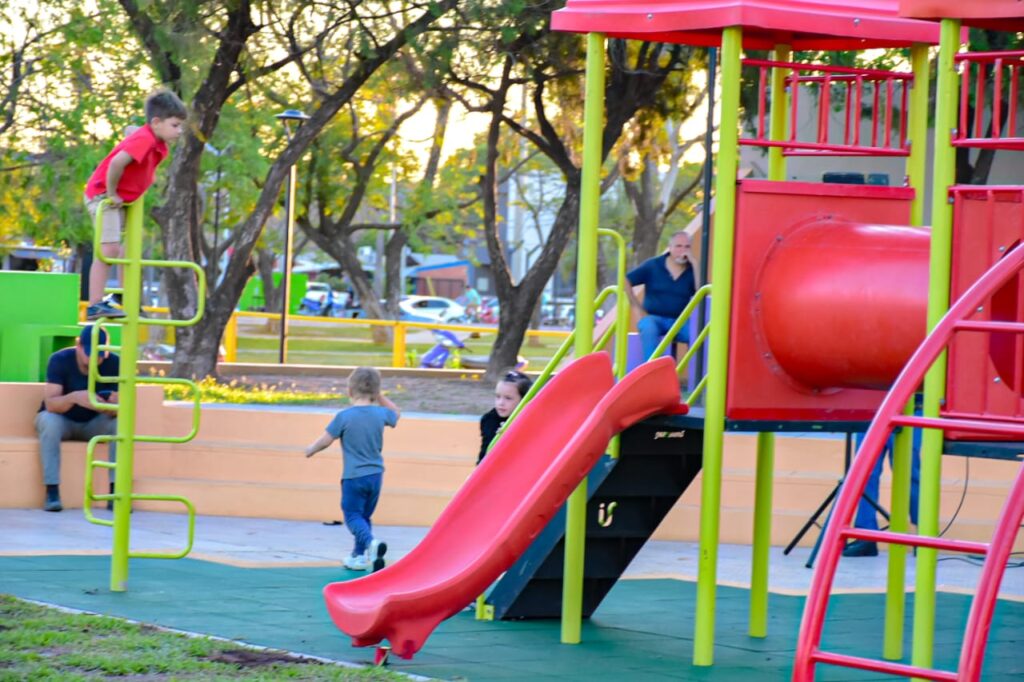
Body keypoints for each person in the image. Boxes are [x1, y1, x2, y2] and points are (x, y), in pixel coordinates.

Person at [83, 90, 187, 320]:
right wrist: (112, 193)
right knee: (108, 249)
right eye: (175, 125)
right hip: (104, 196)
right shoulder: (146, 139)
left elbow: (131, 130)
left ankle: (125, 296)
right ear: (157, 122)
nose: (179, 131)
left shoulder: (154, 138)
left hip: (124, 199)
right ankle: (94, 305)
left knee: (129, 251)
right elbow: (116, 164)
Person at [305, 367, 400, 572]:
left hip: (353, 476)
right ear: (375, 392)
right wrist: (379, 396)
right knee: (364, 517)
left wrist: (311, 449)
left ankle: (371, 544)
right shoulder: (380, 414)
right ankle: (358, 556)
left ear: (349, 391)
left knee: (352, 516)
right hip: (376, 476)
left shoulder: (344, 416)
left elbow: (326, 440)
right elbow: (396, 413)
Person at [35, 325, 119, 512]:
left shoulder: (114, 363)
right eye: (90, 352)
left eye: (100, 353)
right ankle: (52, 491)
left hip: (95, 422)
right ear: (79, 346)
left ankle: (116, 493)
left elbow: (124, 408)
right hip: (62, 420)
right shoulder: (60, 360)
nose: (96, 358)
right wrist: (74, 398)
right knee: (49, 421)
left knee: (121, 426)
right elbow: (51, 404)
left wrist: (111, 406)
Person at [844, 420, 922, 557]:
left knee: (908, 471)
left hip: (912, 408)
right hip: (871, 411)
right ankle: (866, 535)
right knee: (864, 473)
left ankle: (924, 534)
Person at [626, 231, 698, 362]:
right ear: (670, 248)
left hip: (680, 321)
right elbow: (625, 280)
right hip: (653, 318)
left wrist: (695, 264)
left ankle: (699, 378)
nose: (683, 251)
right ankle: (652, 373)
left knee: (697, 334)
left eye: (687, 247)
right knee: (648, 327)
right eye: (678, 246)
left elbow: (702, 291)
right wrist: (636, 307)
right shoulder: (653, 265)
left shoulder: (692, 270)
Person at [478, 370, 533, 463]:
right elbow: (484, 452)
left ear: (524, 400)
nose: (501, 403)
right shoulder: (489, 419)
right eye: (498, 396)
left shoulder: (529, 421)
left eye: (508, 398)